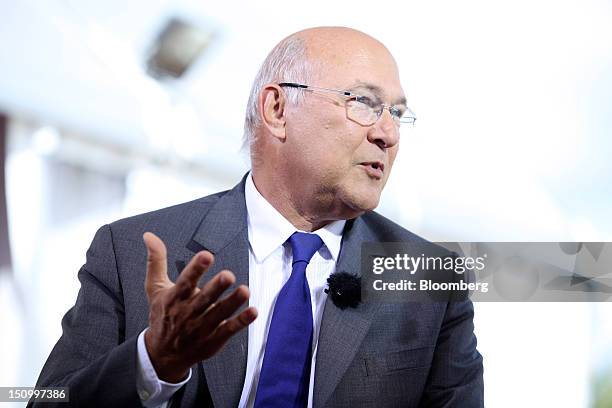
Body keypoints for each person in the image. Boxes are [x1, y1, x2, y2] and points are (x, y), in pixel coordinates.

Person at [32, 26, 483, 407]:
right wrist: (154, 362)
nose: (388, 133)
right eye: (363, 102)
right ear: (278, 109)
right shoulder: (132, 251)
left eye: (398, 114)